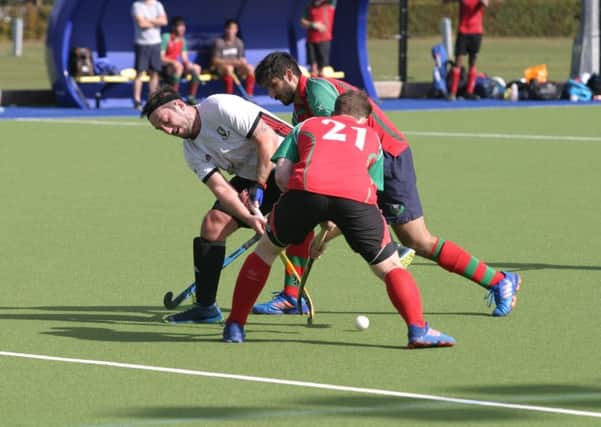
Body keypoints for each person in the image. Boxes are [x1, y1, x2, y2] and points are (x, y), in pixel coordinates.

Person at [252, 51, 521, 317]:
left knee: (419, 240)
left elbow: (344, 143)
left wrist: (330, 225)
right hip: (359, 164)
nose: (272, 95)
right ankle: (291, 297)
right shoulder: (301, 108)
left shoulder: (318, 92)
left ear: (288, 75)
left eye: (273, 86)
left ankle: (499, 281)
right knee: (305, 214)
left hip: (386, 159)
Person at [222, 91, 455, 347]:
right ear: (365, 119)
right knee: (389, 266)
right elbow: (368, 190)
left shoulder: (306, 125)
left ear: (335, 111)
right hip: (356, 200)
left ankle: (235, 325)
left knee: (266, 251)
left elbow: (282, 175)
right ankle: (417, 329)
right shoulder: (372, 137)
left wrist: (304, 210)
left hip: (303, 192)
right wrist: (333, 222)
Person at [141, 86, 313, 323]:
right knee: (213, 224)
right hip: (254, 174)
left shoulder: (219, 106)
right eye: (161, 129)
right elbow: (221, 188)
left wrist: (258, 187)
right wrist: (249, 216)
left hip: (291, 158)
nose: (168, 130)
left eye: (166, 121)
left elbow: (267, 138)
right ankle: (205, 307)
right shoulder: (191, 150)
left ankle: (292, 296)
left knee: (296, 222)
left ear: (179, 105)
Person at [444, 0, 489, 100]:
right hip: (463, 31)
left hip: (476, 32)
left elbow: (486, 4)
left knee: (472, 61)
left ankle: (469, 92)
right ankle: (453, 92)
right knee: (458, 61)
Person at [131, 0, 167, 110]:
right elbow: (141, 24)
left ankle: (152, 99)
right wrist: (156, 21)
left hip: (155, 43)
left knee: (154, 72)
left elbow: (164, 21)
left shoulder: (158, 4)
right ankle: (137, 101)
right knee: (139, 73)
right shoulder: (137, 5)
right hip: (142, 43)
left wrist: (149, 21)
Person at [161, 16, 203, 105]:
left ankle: (191, 97)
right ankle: (173, 97)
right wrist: (173, 62)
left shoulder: (182, 40)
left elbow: (184, 58)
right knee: (178, 66)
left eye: (183, 26)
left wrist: (188, 64)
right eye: (180, 26)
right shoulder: (166, 37)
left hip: (176, 68)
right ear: (174, 27)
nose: (183, 28)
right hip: (164, 67)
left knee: (196, 68)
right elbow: (161, 57)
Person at [211, 19, 255, 97]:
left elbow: (242, 59)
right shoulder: (219, 42)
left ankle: (249, 96)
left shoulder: (239, 42)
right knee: (229, 68)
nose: (231, 31)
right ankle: (229, 96)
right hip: (221, 69)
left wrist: (243, 63)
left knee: (250, 68)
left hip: (236, 68)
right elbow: (215, 61)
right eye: (230, 28)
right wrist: (232, 62)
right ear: (226, 29)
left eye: (234, 29)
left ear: (237, 30)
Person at [300, 0, 337, 77]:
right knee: (313, 70)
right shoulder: (310, 7)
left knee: (323, 70)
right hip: (311, 41)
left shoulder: (330, 5)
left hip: (324, 40)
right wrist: (314, 25)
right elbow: (302, 22)